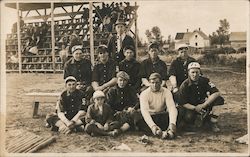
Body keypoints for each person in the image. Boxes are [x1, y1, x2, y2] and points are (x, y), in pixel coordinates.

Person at [178, 62, 224, 132]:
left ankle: (213, 122)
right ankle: (200, 120)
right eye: (192, 72)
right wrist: (195, 108)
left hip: (203, 103)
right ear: (188, 73)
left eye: (197, 72)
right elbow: (183, 103)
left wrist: (204, 105)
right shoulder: (184, 85)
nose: (195, 74)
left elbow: (216, 92)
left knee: (219, 99)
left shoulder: (205, 80)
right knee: (189, 117)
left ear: (200, 72)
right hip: (191, 107)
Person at [137, 73, 178, 139]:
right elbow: (145, 112)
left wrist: (172, 124)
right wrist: (152, 126)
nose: (155, 85)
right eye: (152, 83)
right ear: (149, 83)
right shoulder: (144, 94)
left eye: (157, 82)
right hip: (151, 116)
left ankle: (169, 132)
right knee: (138, 119)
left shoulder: (166, 92)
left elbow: (171, 108)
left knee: (177, 113)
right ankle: (158, 132)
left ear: (161, 82)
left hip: (162, 115)